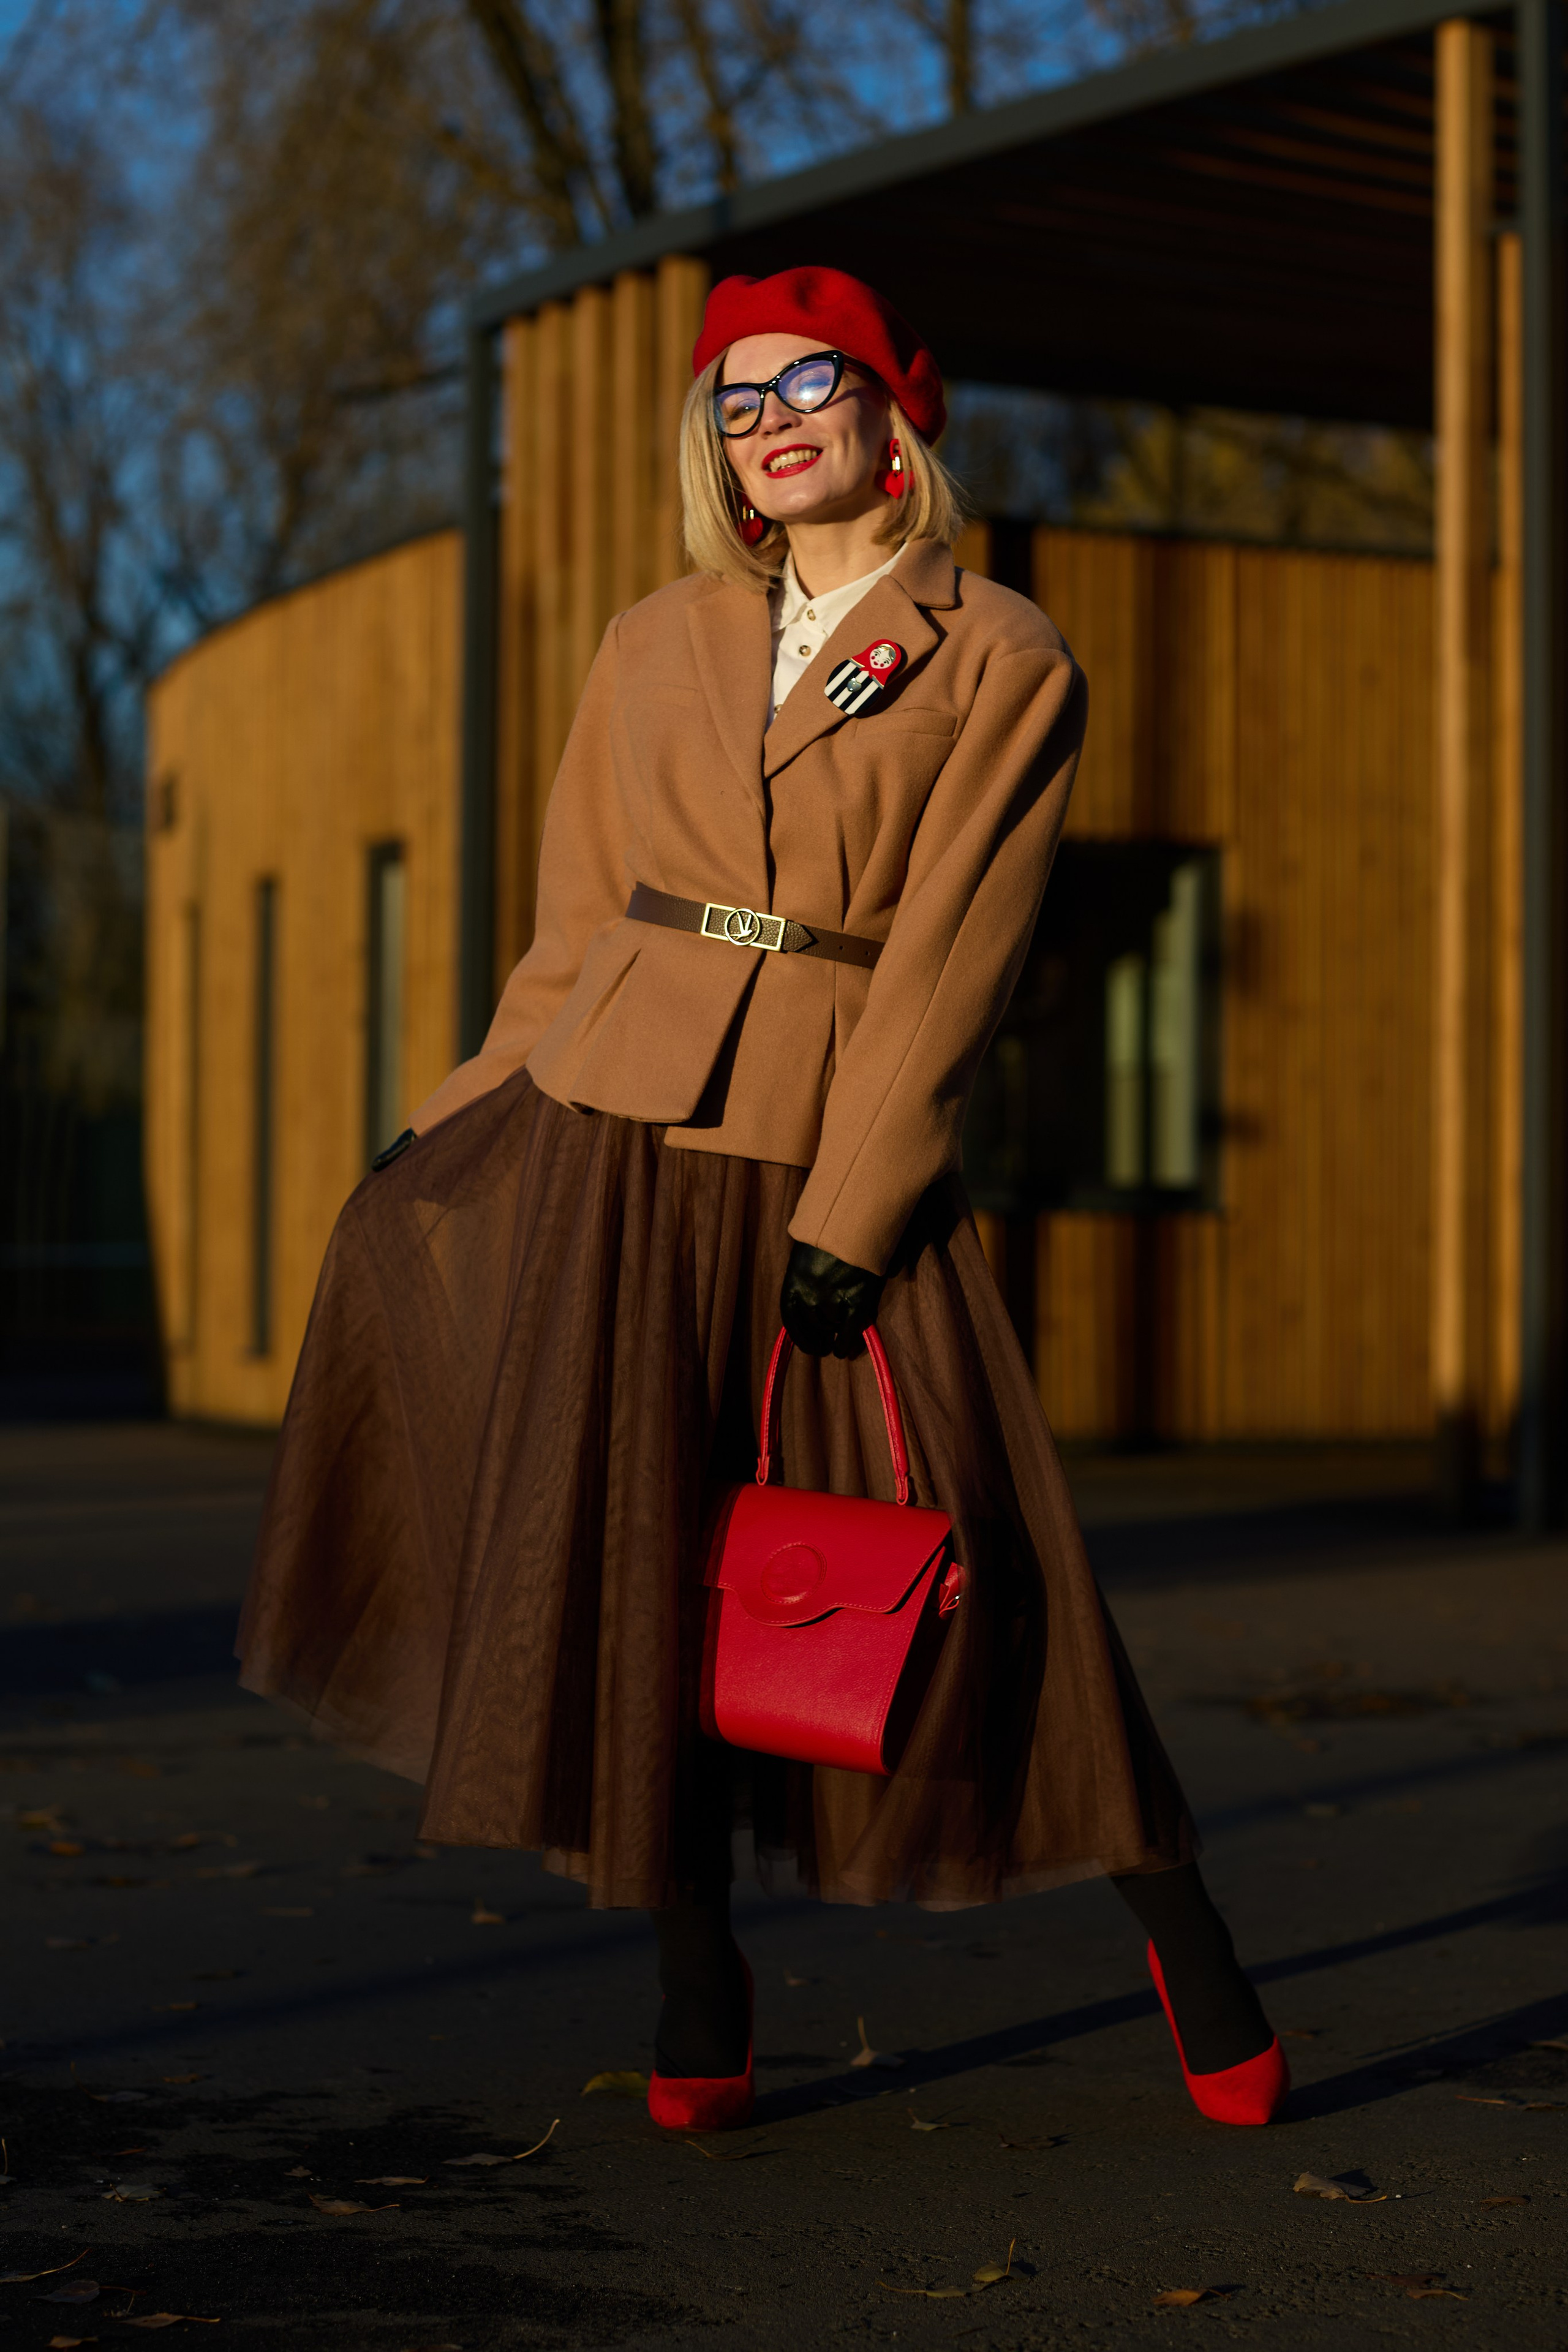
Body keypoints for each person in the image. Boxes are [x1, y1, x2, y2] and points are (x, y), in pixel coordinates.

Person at [239, 266, 1287, 2133]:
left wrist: (857, 1211)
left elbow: (952, 964)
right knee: (630, 1547)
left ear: (900, 416)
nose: (772, 420)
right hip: (615, 1127)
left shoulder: (1001, 653)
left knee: (991, 1556)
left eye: (815, 383)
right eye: (736, 398)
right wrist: (463, 1107)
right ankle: (696, 1971)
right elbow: (578, 922)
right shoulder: (652, 640)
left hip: (834, 1144)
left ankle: (1183, 1931)